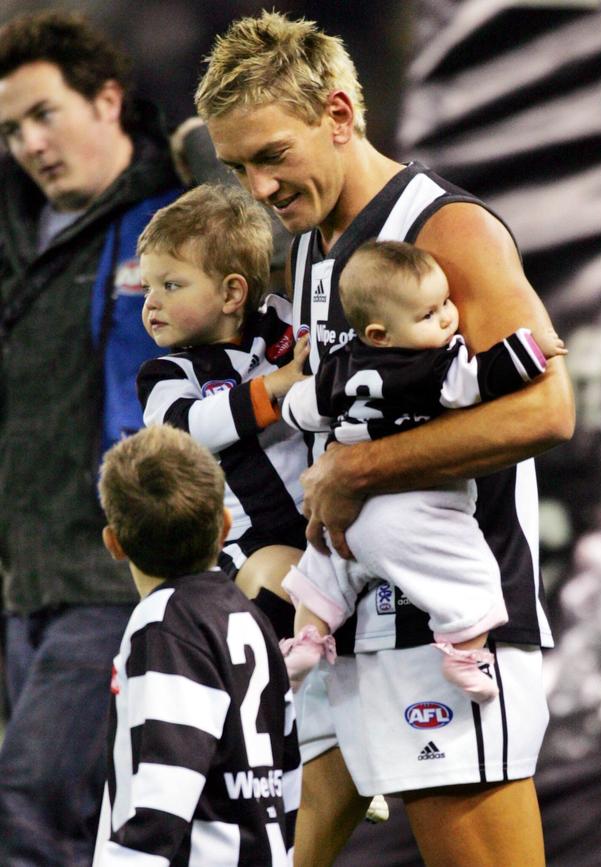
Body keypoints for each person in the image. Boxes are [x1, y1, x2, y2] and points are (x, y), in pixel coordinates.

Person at [194, 10, 574, 867]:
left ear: (339, 113)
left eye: (271, 155)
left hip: (453, 631)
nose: (257, 187)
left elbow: (547, 410)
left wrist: (360, 467)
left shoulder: (445, 227)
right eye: (237, 167)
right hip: (355, 623)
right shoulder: (312, 250)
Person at [0, 11, 182, 865]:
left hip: (118, 576)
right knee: (78, 829)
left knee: (30, 815)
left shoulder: (179, 218)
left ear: (108, 99)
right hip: (25, 584)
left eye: (44, 114)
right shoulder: (17, 236)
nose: (30, 143)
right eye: (10, 130)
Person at [279, 239, 567, 703]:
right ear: (379, 334)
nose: (448, 318)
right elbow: (481, 378)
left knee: (318, 583)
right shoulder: (432, 366)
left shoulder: (339, 367)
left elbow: (301, 408)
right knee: (472, 580)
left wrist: (283, 400)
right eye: (428, 315)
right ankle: (465, 655)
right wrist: (532, 350)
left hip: (344, 522)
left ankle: (306, 643)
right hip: (411, 507)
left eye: (445, 303)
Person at [92, 423, 301, 866]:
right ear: (225, 525)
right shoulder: (250, 616)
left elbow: (164, 789)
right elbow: (290, 770)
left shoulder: (164, 624)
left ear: (113, 543)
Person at [135, 182, 310, 641]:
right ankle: (269, 685)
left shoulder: (284, 325)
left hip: (324, 521)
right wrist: (272, 387)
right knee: (289, 582)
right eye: (147, 286)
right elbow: (184, 430)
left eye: (171, 285)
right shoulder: (165, 374)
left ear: (233, 294)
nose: (151, 303)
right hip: (244, 542)